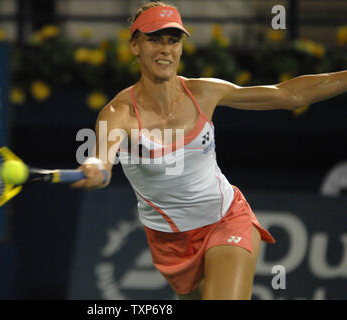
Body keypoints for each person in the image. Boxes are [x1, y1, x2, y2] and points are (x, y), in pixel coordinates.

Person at [70, 1, 347, 300]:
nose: (165, 49)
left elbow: (288, 95)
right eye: (154, 39)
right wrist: (96, 167)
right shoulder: (118, 112)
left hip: (225, 218)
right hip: (169, 242)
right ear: (135, 46)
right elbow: (102, 157)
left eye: (173, 40)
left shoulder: (204, 93)